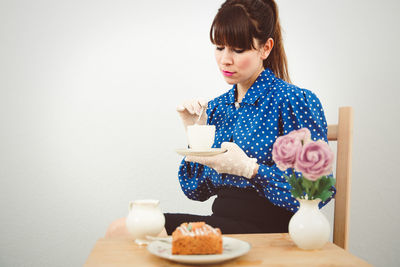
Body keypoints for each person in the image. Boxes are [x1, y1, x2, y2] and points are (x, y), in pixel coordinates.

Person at [105, 0, 335, 238]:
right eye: (219, 47)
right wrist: (196, 139)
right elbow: (195, 190)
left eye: (237, 50)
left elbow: (320, 192)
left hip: (271, 233)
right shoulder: (217, 107)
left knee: (135, 235)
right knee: (123, 230)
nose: (225, 59)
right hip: (223, 225)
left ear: (265, 48)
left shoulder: (293, 100)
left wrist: (251, 170)